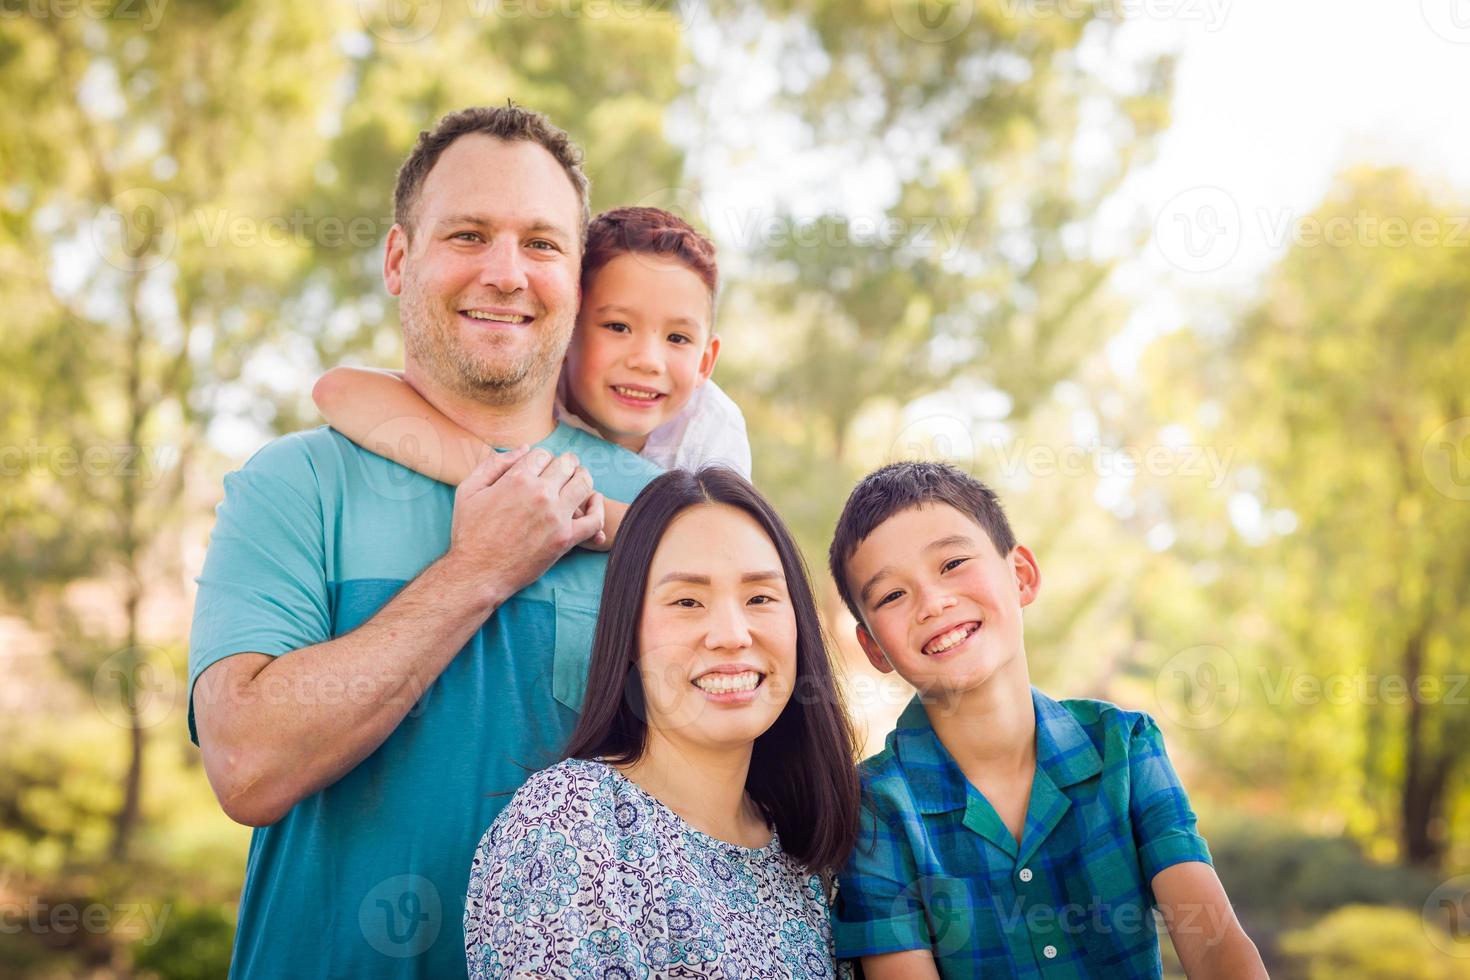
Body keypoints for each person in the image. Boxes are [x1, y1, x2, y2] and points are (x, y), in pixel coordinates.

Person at [187, 105, 661, 978]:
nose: (507, 273)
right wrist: (478, 569)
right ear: (400, 260)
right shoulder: (293, 484)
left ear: (580, 280)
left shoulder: (661, 508)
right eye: (469, 235)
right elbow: (246, 765)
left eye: (543, 245)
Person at [825, 462, 1267, 978]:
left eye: (952, 564)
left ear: (1021, 576)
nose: (933, 603)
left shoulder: (1123, 749)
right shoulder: (872, 812)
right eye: (892, 595)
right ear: (873, 648)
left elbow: (1215, 948)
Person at [463, 467, 861, 978]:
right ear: (628, 631)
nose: (732, 634)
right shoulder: (571, 827)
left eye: (760, 598)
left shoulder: (803, 854)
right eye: (687, 601)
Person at [312, 205, 751, 549]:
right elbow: (338, 391)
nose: (647, 360)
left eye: (677, 338)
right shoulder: (532, 386)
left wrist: (583, 511)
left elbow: (717, 540)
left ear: (706, 362)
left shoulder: (709, 423)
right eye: (617, 327)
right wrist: (514, 482)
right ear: (567, 326)